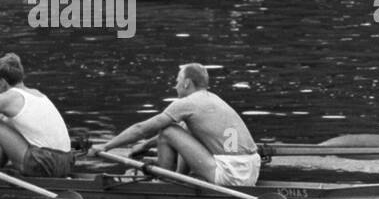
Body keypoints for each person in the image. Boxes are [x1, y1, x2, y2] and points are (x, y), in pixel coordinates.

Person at [97, 63, 261, 188]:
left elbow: (141, 129)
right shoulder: (213, 99)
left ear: (186, 83)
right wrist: (145, 145)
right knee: (183, 128)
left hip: (231, 173)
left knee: (167, 130)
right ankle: (179, 177)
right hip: (252, 168)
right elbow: (182, 131)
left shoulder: (186, 103)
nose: (175, 86)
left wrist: (105, 147)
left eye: (177, 81)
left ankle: (166, 183)